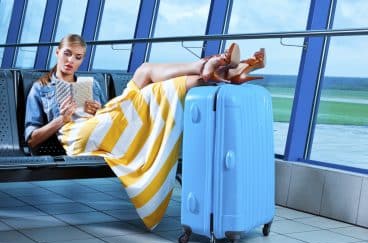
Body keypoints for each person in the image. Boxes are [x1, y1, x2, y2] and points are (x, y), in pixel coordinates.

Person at [25, 34, 265, 229]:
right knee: (152, 92)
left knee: (145, 70)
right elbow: (32, 140)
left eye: (78, 57)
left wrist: (96, 110)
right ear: (57, 52)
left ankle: (210, 68)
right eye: (67, 54)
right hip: (75, 135)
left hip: (103, 124)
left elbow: (107, 119)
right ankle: (222, 72)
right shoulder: (40, 88)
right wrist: (60, 119)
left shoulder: (90, 84)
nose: (71, 61)